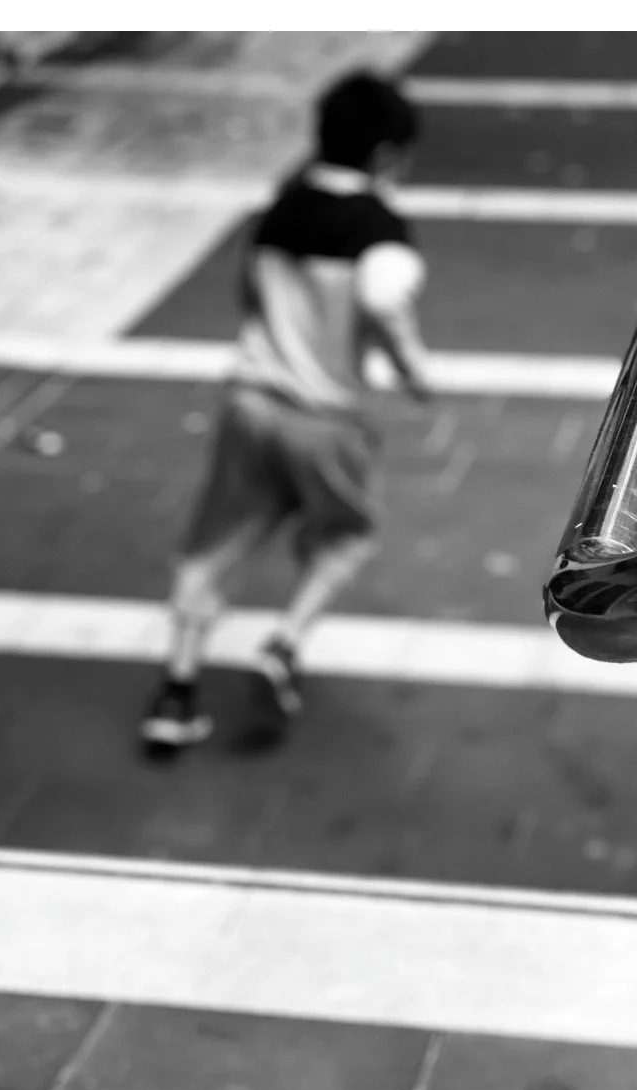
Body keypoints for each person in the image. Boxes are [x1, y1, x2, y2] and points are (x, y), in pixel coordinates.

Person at [140, 69, 435, 757]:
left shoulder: (279, 208)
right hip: (327, 419)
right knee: (345, 536)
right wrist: (414, 369)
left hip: (251, 403)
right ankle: (284, 643)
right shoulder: (381, 229)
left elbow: (249, 296)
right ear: (388, 153)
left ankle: (176, 692)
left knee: (210, 548)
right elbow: (386, 296)